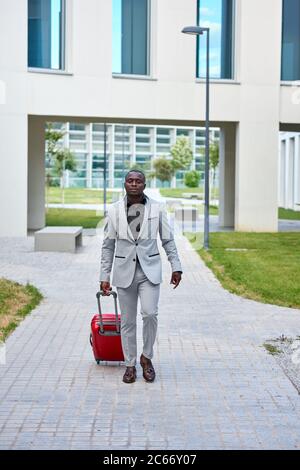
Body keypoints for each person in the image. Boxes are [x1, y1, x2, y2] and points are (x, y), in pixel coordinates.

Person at [99, 169, 182, 383]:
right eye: (130, 180)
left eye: (138, 181)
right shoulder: (114, 210)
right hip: (124, 271)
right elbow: (108, 246)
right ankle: (130, 364)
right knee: (127, 321)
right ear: (124, 184)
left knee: (150, 314)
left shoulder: (157, 208)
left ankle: (146, 358)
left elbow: (168, 239)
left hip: (149, 270)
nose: (134, 184)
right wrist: (104, 275)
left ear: (144, 185)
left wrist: (176, 266)